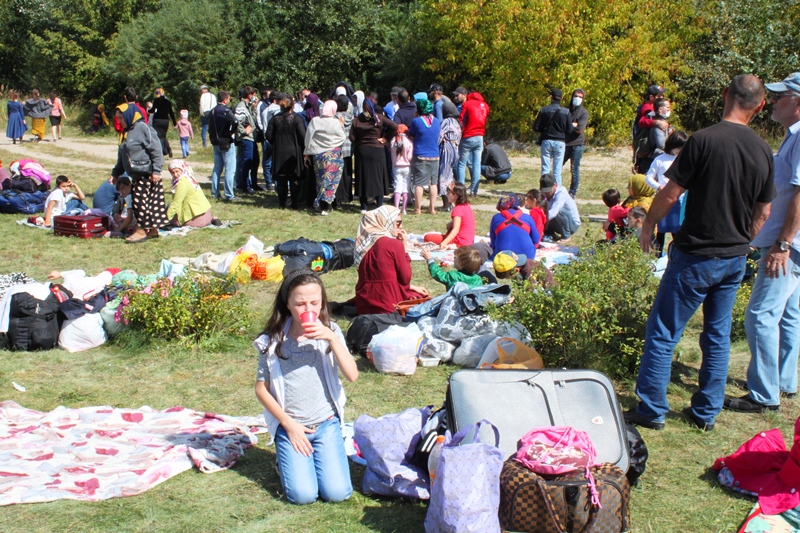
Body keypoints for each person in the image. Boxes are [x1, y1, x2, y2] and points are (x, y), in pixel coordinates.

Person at [625, 74, 775, 432]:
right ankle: (706, 412)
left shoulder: (704, 140)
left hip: (695, 255)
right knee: (718, 336)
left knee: (663, 332)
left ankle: (651, 409)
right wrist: (745, 240)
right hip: (734, 258)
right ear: (760, 106)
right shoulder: (763, 150)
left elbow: (671, 191)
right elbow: (764, 211)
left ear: (725, 95)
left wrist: (649, 225)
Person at [724, 73, 800, 414]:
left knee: (760, 315)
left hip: (789, 246)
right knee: (788, 315)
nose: (772, 102)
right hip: (791, 243)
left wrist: (782, 243)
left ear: (797, 102)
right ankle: (783, 381)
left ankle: (764, 395)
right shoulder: (792, 136)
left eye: (781, 97)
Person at [253, 270, 358, 505]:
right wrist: (288, 425)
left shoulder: (331, 331)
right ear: (287, 304)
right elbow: (261, 388)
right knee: (303, 496)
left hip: (326, 423)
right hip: (292, 425)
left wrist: (331, 338)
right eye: (300, 304)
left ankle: (316, 453)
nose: (308, 309)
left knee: (337, 493)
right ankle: (285, 458)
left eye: (314, 303)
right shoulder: (271, 341)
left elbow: (352, 375)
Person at [110, 87, 169, 244]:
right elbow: (124, 155)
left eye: (121, 118)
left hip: (147, 173)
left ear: (129, 116)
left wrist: (157, 170)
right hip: (137, 175)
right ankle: (153, 231)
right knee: (145, 203)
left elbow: (156, 148)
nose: (120, 122)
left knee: (141, 203)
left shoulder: (142, 128)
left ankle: (142, 230)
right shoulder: (129, 131)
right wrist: (116, 173)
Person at [354, 206, 429, 314]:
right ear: (386, 221)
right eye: (397, 222)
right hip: (388, 305)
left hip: (363, 304)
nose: (401, 226)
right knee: (421, 297)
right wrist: (404, 248)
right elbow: (405, 278)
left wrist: (411, 287)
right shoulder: (394, 245)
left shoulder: (363, 244)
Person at [350, 98, 397, 214]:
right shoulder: (379, 118)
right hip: (377, 150)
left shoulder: (357, 120)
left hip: (363, 151)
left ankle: (363, 206)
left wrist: (359, 141)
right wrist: (385, 138)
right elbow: (395, 126)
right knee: (378, 177)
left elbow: (351, 137)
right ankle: (379, 204)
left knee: (363, 177)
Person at [645, 131, 689, 252]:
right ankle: (658, 254)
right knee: (661, 230)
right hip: (663, 197)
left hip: (678, 199)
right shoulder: (660, 159)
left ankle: (676, 253)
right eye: (678, 148)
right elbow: (648, 177)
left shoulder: (684, 160)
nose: (679, 151)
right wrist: (658, 186)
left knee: (677, 230)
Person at [304, 100, 346, 216]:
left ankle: (318, 202)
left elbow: (308, 138)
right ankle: (328, 204)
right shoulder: (337, 123)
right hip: (334, 155)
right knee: (332, 181)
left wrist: (307, 152)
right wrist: (342, 125)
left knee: (320, 179)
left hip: (319, 153)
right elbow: (342, 138)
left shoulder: (315, 121)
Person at [267, 94, 307, 209]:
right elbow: (303, 136)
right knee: (293, 178)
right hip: (293, 151)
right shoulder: (296, 119)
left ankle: (281, 203)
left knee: (281, 179)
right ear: (292, 106)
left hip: (279, 151)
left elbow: (268, 136)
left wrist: (276, 142)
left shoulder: (275, 119)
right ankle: (294, 203)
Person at [533, 88, 573, 186]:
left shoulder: (544, 110)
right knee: (557, 170)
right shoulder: (566, 112)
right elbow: (570, 129)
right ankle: (557, 191)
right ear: (561, 98)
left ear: (551, 97)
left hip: (546, 141)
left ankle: (544, 190)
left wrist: (544, 129)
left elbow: (536, 127)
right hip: (560, 142)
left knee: (545, 169)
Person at [408, 97, 441, 215]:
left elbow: (411, 134)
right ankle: (432, 208)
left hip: (420, 155)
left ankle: (418, 209)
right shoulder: (437, 121)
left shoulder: (416, 121)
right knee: (433, 183)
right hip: (435, 155)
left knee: (419, 183)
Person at [456, 90, 490, 196]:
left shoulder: (466, 104)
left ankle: (461, 190)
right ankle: (474, 190)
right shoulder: (485, 106)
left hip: (468, 136)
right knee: (477, 164)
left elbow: (461, 120)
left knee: (461, 164)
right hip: (480, 136)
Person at [166, 160, 218, 228]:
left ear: (182, 169)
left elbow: (176, 203)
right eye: (173, 173)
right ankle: (213, 219)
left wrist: (164, 219)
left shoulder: (182, 182)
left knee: (169, 208)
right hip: (207, 215)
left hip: (196, 220)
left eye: (177, 171)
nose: (175, 175)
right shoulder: (189, 176)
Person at [424, 182, 475, 249]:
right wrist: (451, 223)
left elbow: (455, 229)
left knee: (428, 237)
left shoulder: (457, 209)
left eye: (449, 193)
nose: (447, 195)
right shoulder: (467, 206)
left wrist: (444, 242)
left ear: (456, 196)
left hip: (459, 242)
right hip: (469, 240)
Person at [489, 194, 540, 259]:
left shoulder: (496, 218)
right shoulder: (528, 218)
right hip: (527, 256)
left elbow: (493, 243)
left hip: (503, 256)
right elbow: (536, 240)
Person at [209, 91, 238, 201]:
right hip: (226, 141)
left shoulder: (212, 111)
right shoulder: (225, 110)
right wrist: (231, 132)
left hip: (215, 142)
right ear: (225, 100)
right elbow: (235, 121)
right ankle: (229, 194)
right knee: (230, 169)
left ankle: (215, 192)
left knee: (217, 168)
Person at [632, 84, 667, 174]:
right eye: (659, 95)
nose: (662, 97)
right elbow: (641, 121)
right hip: (647, 146)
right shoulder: (647, 107)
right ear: (651, 97)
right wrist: (656, 122)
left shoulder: (652, 107)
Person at [235, 87, 261, 193]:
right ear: (250, 95)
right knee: (247, 162)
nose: (255, 97)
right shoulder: (241, 106)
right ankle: (245, 185)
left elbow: (253, 120)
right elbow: (237, 121)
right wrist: (244, 131)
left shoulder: (248, 106)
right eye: (254, 95)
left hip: (252, 138)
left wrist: (254, 108)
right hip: (246, 138)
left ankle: (253, 184)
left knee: (255, 161)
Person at [540, 174, 581, 241]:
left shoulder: (561, 193)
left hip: (572, 224)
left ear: (556, 185)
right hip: (558, 223)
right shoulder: (543, 193)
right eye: (544, 190)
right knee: (543, 210)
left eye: (548, 190)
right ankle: (550, 234)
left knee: (559, 211)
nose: (546, 192)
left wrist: (540, 218)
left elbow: (554, 211)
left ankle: (566, 236)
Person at [564, 89, 589, 197]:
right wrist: (572, 124)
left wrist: (569, 126)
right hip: (564, 144)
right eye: (576, 96)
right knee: (557, 166)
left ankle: (572, 193)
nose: (577, 98)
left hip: (577, 145)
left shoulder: (584, 112)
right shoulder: (565, 110)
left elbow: (580, 129)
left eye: (580, 97)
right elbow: (561, 126)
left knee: (574, 170)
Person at [438, 100, 462, 211]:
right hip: (455, 149)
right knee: (450, 176)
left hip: (447, 149)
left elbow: (439, 135)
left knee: (444, 176)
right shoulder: (457, 122)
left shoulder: (447, 121)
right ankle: (451, 202)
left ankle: (446, 205)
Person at [334, 95, 355, 206]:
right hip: (349, 147)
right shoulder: (351, 117)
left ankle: (338, 196)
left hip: (337, 147)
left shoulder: (333, 118)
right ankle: (347, 196)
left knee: (337, 174)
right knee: (347, 173)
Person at [390, 124, 413, 213]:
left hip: (396, 167)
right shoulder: (409, 142)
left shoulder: (393, 141)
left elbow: (392, 155)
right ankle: (404, 209)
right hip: (407, 167)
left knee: (397, 186)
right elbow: (410, 157)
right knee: (405, 187)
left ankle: (396, 207)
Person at [150, 88, 176, 158]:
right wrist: (175, 123)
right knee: (163, 136)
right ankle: (168, 149)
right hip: (165, 121)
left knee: (157, 136)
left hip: (157, 120)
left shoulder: (156, 100)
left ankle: (162, 152)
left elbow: (152, 110)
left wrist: (148, 111)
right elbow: (171, 113)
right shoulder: (168, 102)